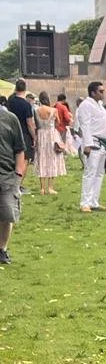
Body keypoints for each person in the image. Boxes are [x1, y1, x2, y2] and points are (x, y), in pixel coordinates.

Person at [76, 80, 106, 212]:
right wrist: (87, 144)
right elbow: (85, 125)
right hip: (93, 142)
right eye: (100, 91)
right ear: (92, 93)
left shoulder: (100, 105)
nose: (103, 93)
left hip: (103, 143)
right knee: (90, 173)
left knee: (99, 173)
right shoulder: (86, 105)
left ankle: (93, 201)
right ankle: (85, 203)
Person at [0, 100, 25, 263]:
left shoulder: (10, 119)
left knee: (7, 214)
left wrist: (18, 173)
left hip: (7, 175)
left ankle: (2, 249)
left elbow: (19, 149)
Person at [33, 91, 66, 195]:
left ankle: (42, 188)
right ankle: (50, 187)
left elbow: (35, 124)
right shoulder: (53, 110)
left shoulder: (36, 110)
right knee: (52, 159)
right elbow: (58, 122)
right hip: (51, 135)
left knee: (41, 159)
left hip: (41, 135)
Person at [6, 79, 35, 192]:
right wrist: (34, 137)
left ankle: (10, 184)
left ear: (16, 88)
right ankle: (17, 185)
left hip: (10, 133)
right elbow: (30, 124)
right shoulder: (26, 105)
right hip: (24, 134)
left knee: (11, 160)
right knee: (25, 159)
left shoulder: (10, 101)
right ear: (25, 89)